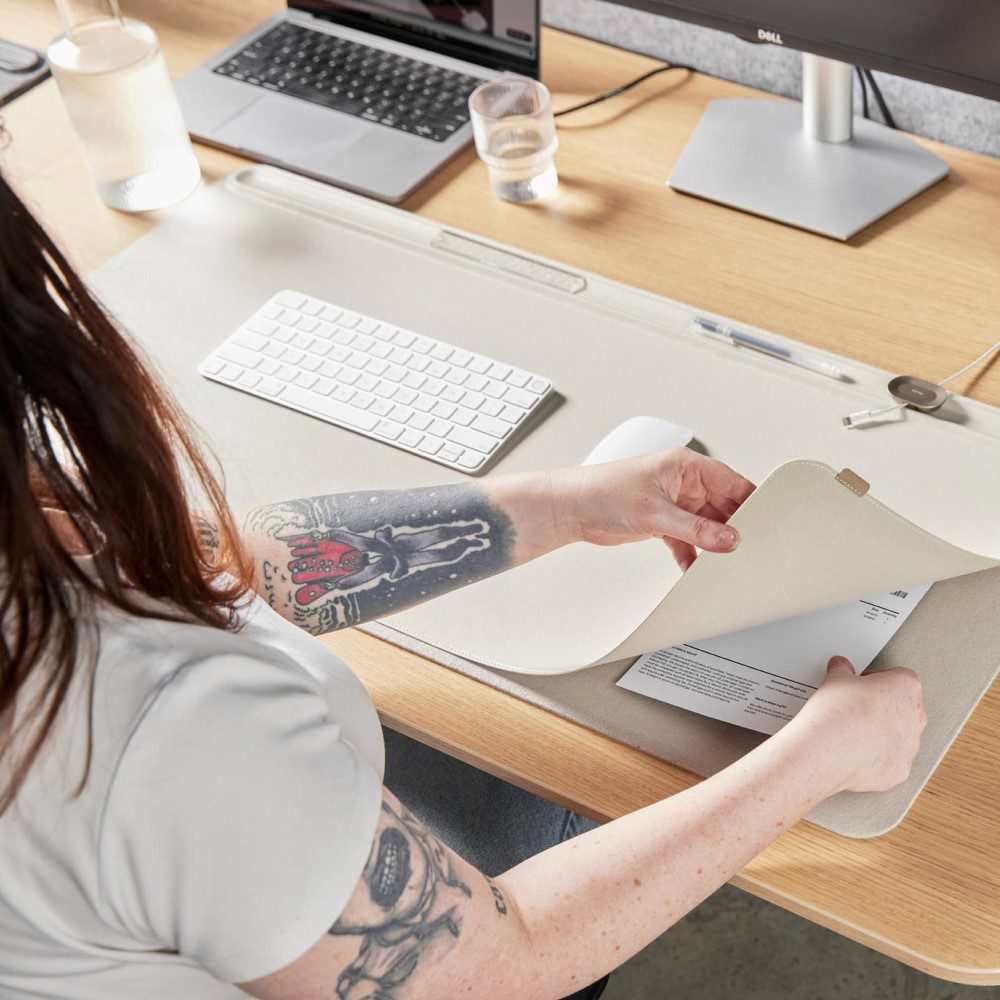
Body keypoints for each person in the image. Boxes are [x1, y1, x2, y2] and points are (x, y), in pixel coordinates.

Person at [0, 160, 927, 1000]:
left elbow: (211, 571)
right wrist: (823, 758)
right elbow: (495, 968)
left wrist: (563, 504)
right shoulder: (153, 729)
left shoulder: (27, 518)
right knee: (585, 774)